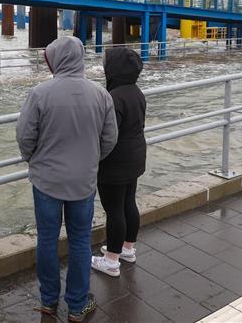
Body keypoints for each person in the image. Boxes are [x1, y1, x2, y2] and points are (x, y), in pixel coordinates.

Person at [17, 36, 118, 322]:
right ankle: (76, 305)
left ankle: (48, 301)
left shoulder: (40, 93)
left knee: (47, 240)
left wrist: (33, 159)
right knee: (80, 240)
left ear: (56, 59)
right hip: (83, 182)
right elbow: (110, 139)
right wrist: (90, 160)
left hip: (46, 181)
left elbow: (25, 137)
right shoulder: (101, 94)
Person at [91, 47, 146, 278]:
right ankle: (127, 248)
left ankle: (111, 260)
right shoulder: (136, 92)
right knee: (128, 203)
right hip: (135, 156)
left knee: (114, 209)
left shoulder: (113, 97)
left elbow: (108, 133)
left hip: (115, 161)